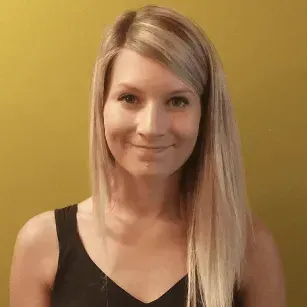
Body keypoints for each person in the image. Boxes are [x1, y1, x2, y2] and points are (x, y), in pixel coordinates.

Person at [9, 4, 286, 307]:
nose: (151, 127)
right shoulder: (43, 244)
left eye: (177, 101)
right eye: (130, 98)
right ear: (102, 106)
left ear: (205, 114)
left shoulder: (248, 248)